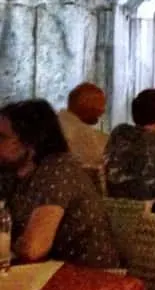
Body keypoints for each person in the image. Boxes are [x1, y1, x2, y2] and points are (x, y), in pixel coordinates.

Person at [0, 100, 118, 269]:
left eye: (2, 137)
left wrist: (9, 240)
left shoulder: (58, 170)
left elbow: (33, 249)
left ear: (31, 142)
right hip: (41, 271)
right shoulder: (10, 173)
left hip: (90, 278)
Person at [57, 83, 108, 168]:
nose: (102, 111)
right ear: (84, 105)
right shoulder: (79, 133)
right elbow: (99, 159)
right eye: (100, 106)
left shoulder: (57, 121)